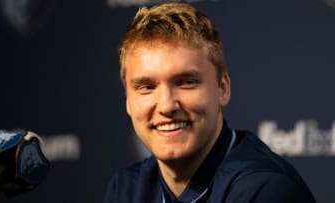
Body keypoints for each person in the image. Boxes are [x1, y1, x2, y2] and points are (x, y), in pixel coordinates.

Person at [104, 2, 316, 203]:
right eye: (147, 87)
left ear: (222, 89)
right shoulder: (126, 189)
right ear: (128, 102)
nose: (167, 106)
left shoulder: (265, 189)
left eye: (186, 82)